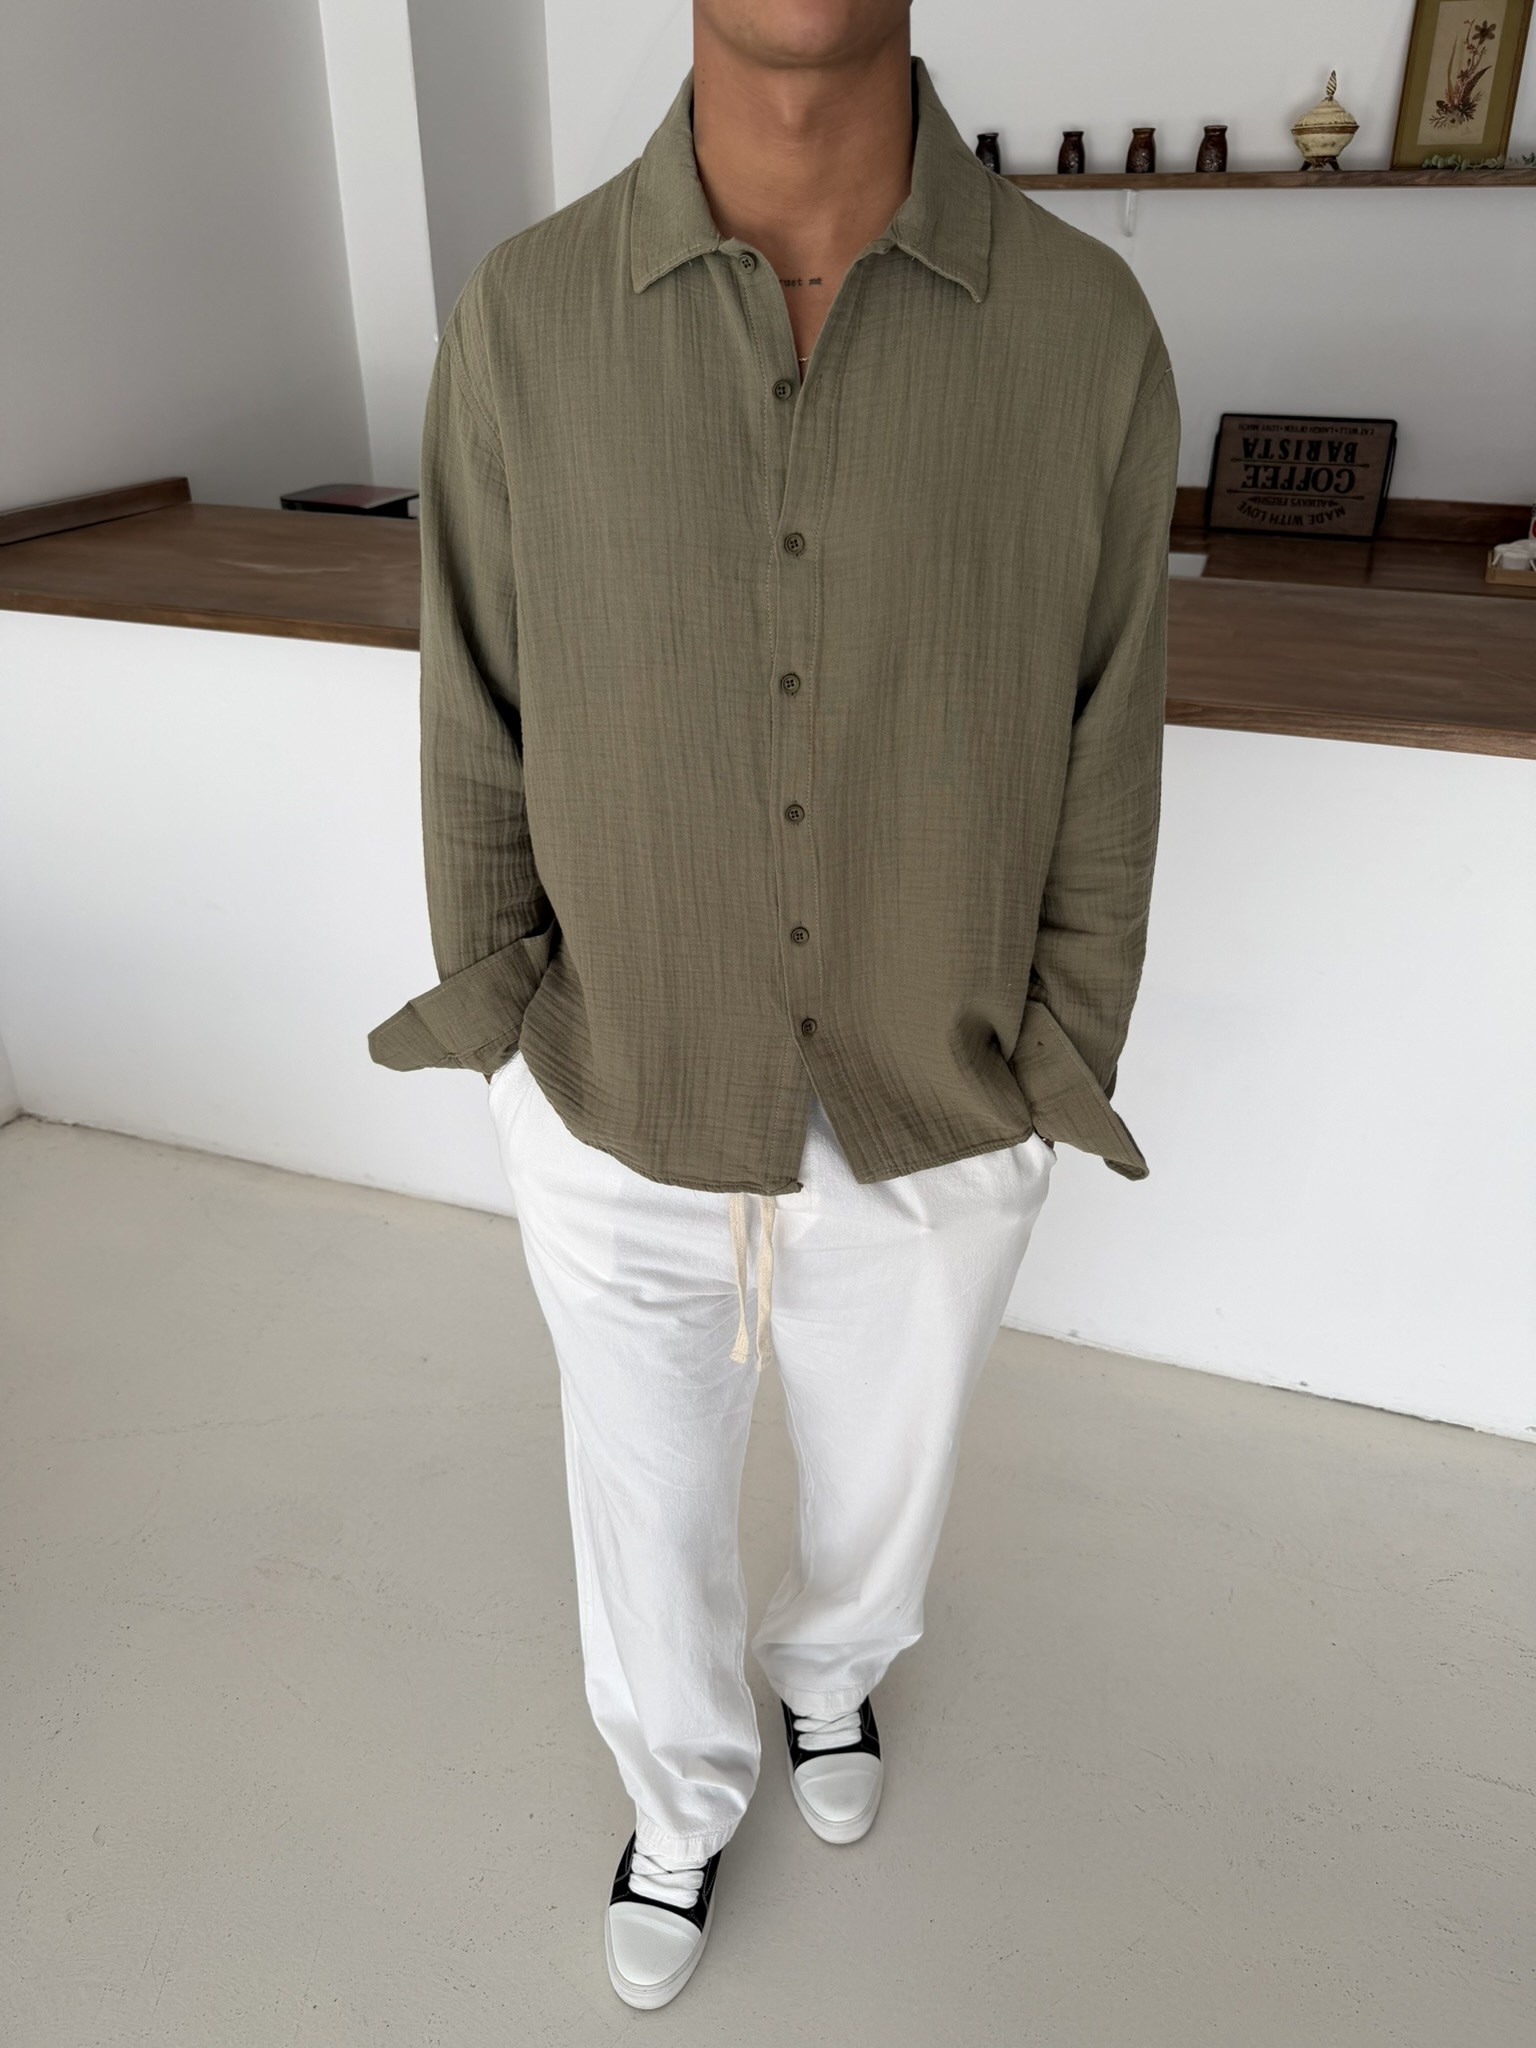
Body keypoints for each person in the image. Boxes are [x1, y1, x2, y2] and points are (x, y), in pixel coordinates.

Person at [369, 0, 1180, 2011]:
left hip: (943, 1088)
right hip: (613, 1068)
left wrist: (1061, 1052)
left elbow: (1112, 723)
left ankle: (835, 1672)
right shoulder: (530, 315)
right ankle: (679, 1785)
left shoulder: (1081, 330)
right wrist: (507, 1027)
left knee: (885, 1487)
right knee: (640, 1501)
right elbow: (473, 695)